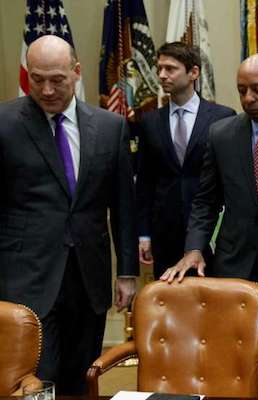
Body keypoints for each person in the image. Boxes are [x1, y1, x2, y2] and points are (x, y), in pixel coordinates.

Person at [160, 53, 258, 397]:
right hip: (233, 271)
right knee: (231, 371)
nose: (248, 99)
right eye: (242, 90)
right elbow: (206, 201)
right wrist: (195, 248)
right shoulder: (222, 134)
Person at [0, 35, 137, 394]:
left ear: (76, 73)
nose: (46, 90)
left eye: (57, 79)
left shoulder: (110, 127)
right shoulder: (4, 123)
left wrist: (126, 272)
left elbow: (123, 204)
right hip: (25, 275)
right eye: (37, 79)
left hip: (87, 277)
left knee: (80, 376)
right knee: (35, 379)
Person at [136, 42, 235, 278]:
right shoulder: (150, 122)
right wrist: (144, 234)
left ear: (193, 73)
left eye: (170, 69)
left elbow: (230, 179)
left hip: (211, 232)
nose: (161, 75)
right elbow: (145, 183)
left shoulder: (222, 118)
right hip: (165, 232)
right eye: (159, 68)